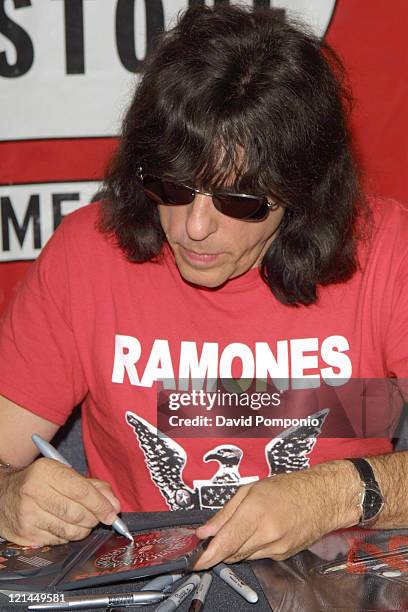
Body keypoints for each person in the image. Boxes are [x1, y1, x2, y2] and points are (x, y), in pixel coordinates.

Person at [0, 4, 407, 570]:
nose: (194, 227)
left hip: (333, 585)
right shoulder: (86, 256)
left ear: (301, 191)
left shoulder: (383, 251)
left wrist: (331, 494)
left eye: (238, 201)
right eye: (172, 185)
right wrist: (8, 496)